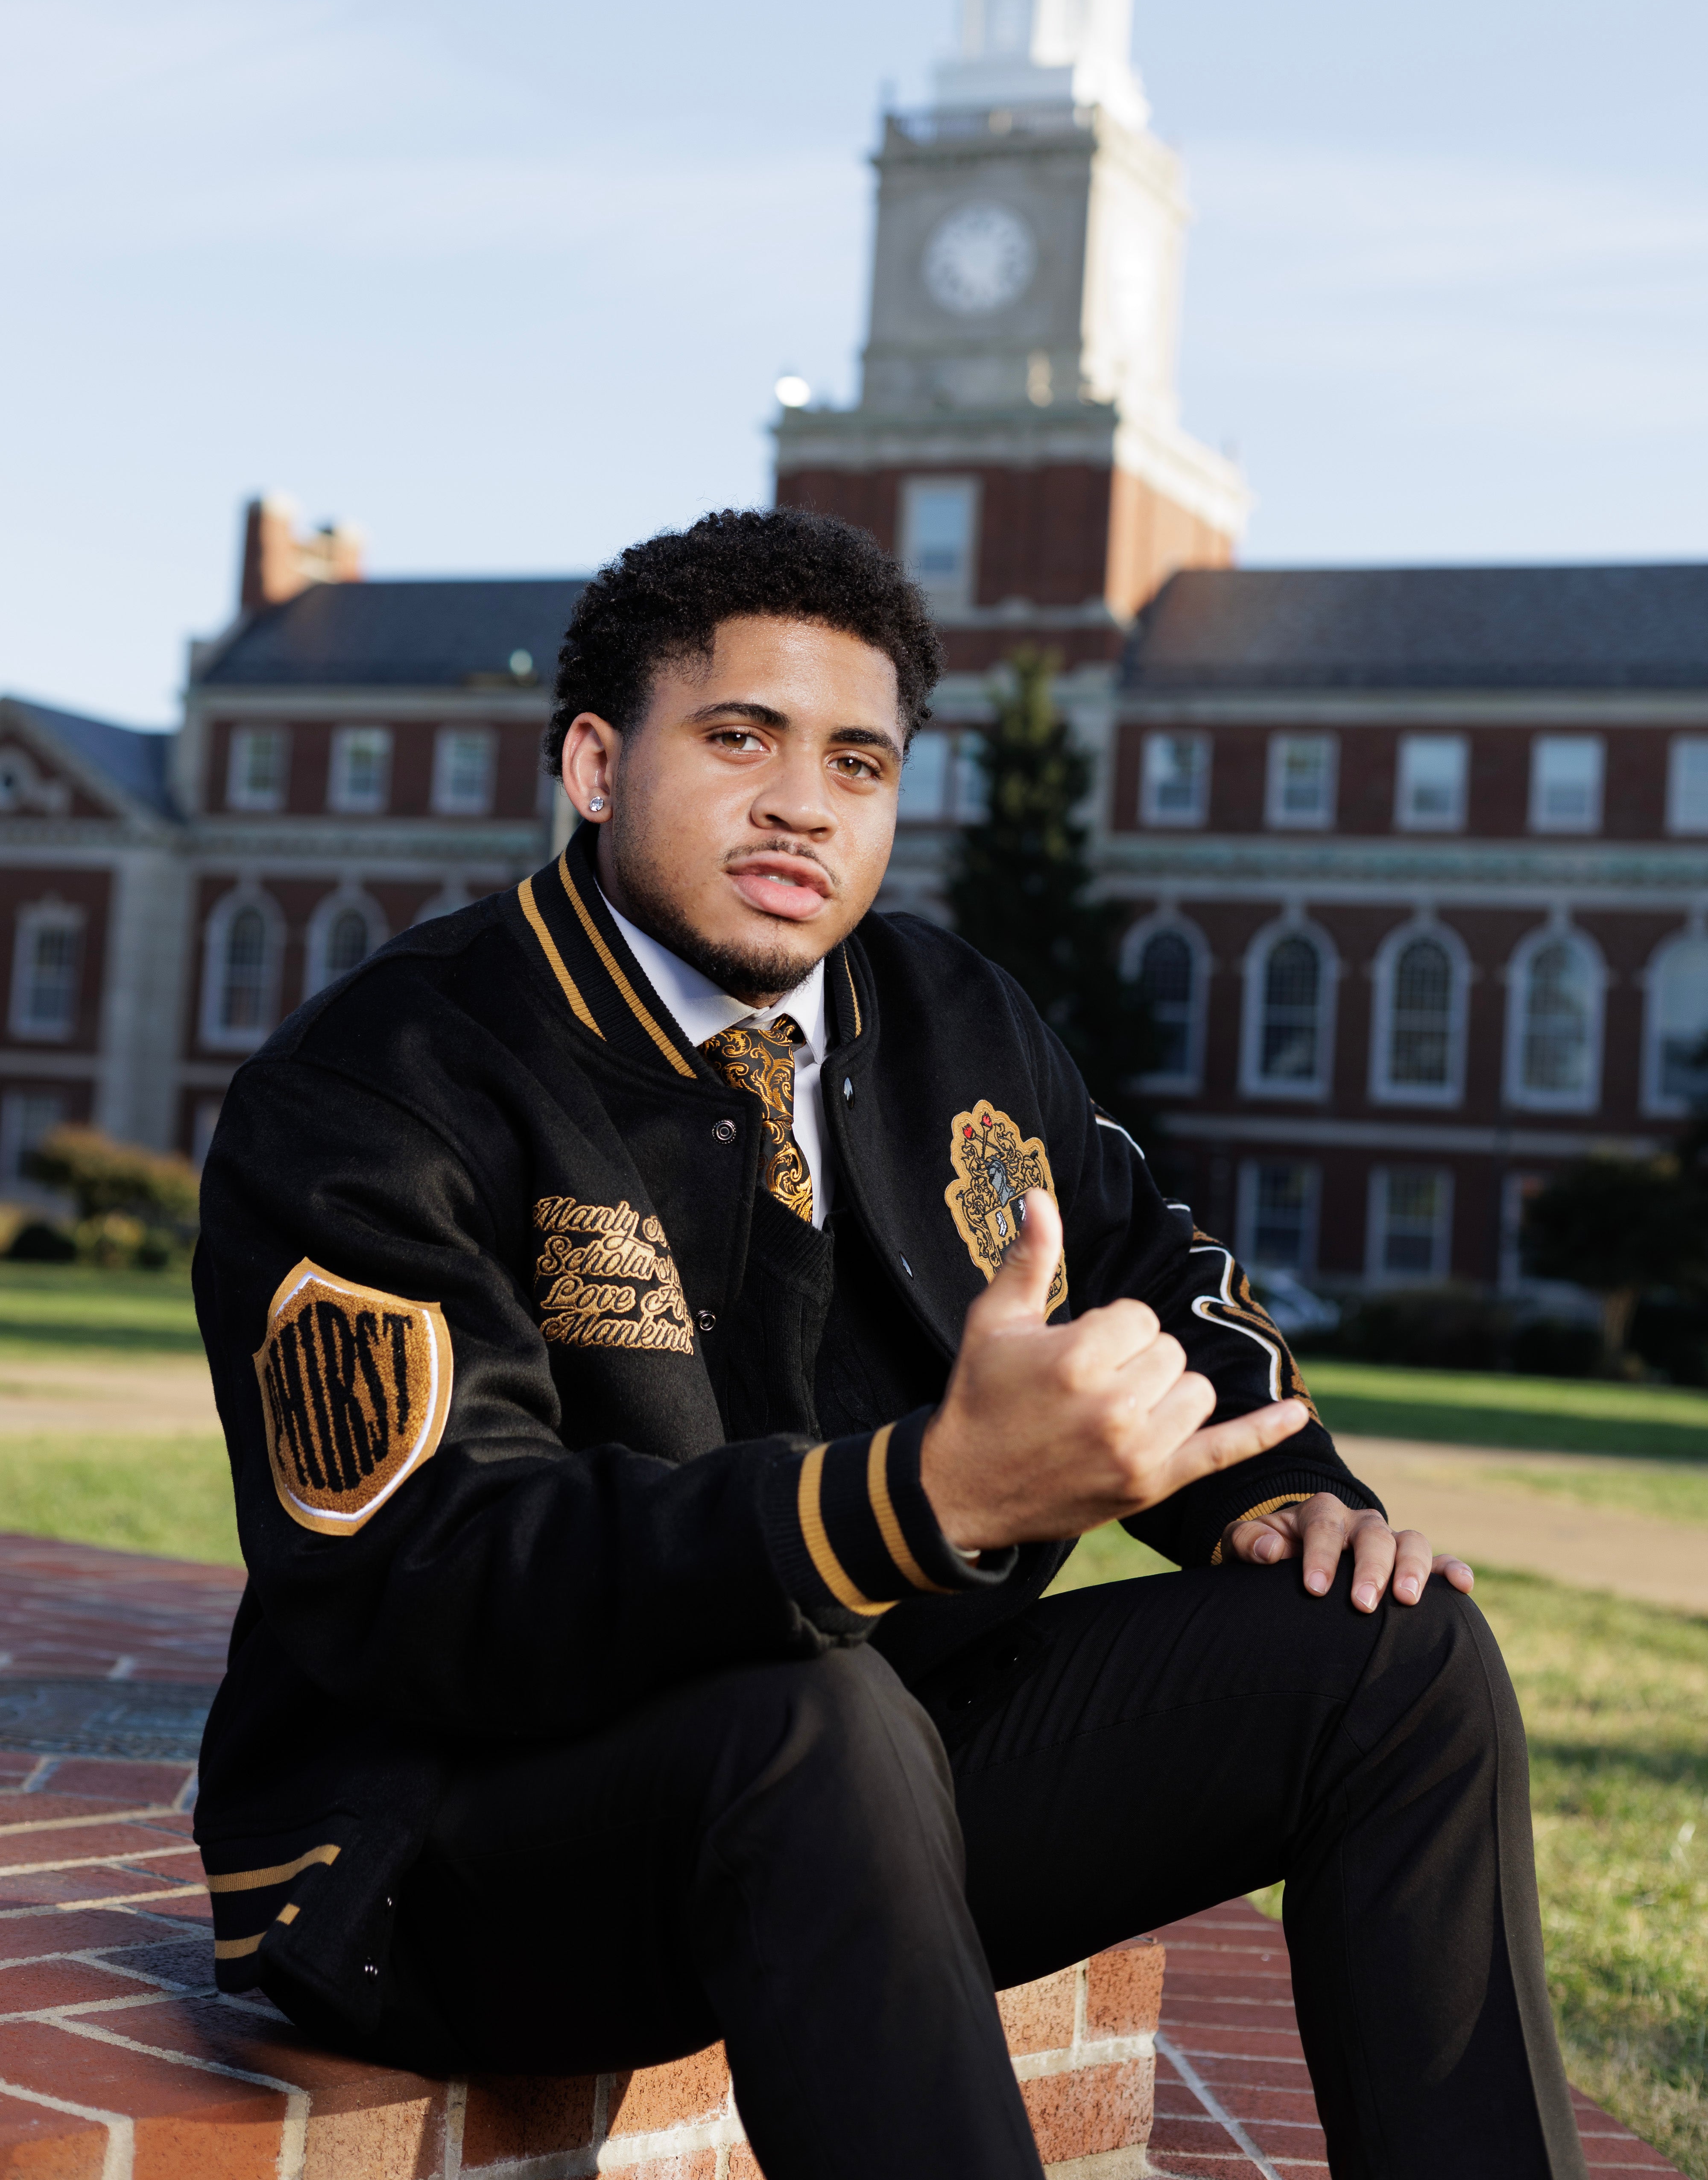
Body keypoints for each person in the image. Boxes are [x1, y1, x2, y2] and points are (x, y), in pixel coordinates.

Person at [193, 507, 1586, 2180]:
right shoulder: (383, 1080)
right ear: (592, 763)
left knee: (1396, 1656)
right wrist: (915, 1502)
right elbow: (433, 1580)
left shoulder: (949, 1014)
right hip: (439, 1850)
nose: (803, 802)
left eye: (859, 763)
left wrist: (1268, 1491)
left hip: (863, 1789)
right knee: (814, 1720)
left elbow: (1157, 1271)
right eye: (739, 739)